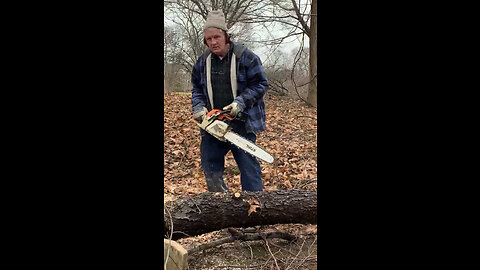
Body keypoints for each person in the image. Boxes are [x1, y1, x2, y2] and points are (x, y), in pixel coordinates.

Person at [191, 10, 269, 192]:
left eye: (216, 37)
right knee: (210, 165)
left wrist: (239, 103)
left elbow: (260, 84)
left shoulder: (246, 57)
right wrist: (199, 107)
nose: (213, 42)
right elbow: (197, 89)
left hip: (241, 122)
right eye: (209, 39)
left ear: (226, 36)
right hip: (213, 124)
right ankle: (220, 204)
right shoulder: (202, 62)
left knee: (248, 166)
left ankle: (254, 204)